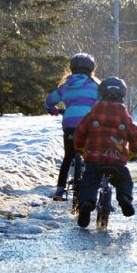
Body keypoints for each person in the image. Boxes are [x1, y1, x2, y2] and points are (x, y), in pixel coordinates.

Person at [74, 76, 137, 228]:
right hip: (116, 160)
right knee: (124, 180)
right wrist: (134, 152)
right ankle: (124, 198)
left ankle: (86, 203)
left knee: (89, 182)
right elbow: (136, 137)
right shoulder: (125, 117)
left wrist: (79, 147)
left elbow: (80, 132)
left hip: (94, 159)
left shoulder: (93, 114)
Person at [44, 53, 100, 201]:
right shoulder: (96, 86)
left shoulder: (66, 86)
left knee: (68, 156)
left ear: (72, 69)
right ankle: (93, 186)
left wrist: (52, 109)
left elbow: (50, 100)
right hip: (89, 127)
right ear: (91, 70)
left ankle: (59, 190)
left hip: (69, 126)